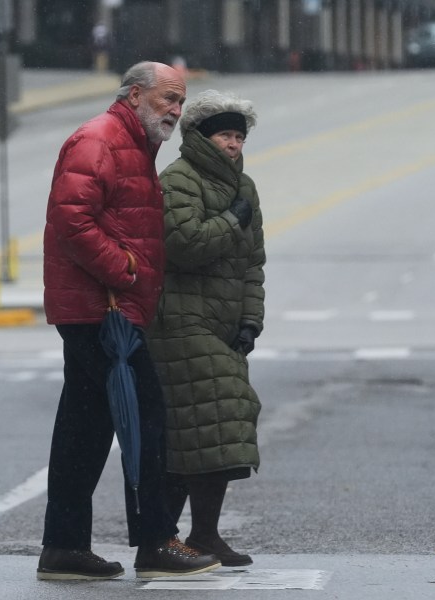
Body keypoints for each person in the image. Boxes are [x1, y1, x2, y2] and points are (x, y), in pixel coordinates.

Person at [38, 61, 221, 581]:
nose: (176, 111)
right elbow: (72, 218)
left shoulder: (133, 143)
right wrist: (125, 269)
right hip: (103, 310)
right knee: (145, 419)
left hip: (104, 307)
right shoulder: (100, 139)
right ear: (136, 94)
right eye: (168, 99)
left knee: (84, 429)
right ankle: (156, 540)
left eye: (181, 102)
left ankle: (64, 548)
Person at [146, 90, 266, 567]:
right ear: (201, 137)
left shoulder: (245, 186)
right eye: (224, 135)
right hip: (179, 320)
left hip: (223, 323)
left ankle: (199, 535)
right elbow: (185, 245)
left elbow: (253, 263)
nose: (233, 145)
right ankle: (167, 538)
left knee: (205, 428)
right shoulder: (178, 181)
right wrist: (232, 221)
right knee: (217, 415)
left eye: (238, 136)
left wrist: (252, 318)